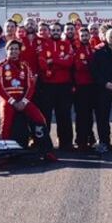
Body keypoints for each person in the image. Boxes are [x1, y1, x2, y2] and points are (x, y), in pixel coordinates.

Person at [0, 40, 47, 142]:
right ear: (6, 50)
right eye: (11, 49)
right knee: (5, 123)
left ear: (19, 51)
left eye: (16, 49)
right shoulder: (0, 66)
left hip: (23, 98)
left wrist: (24, 101)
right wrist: (13, 102)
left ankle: (45, 148)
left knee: (40, 118)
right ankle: (4, 152)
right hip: (7, 99)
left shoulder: (25, 66)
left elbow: (31, 86)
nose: (14, 51)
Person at [37, 22, 75, 150]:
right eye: (53, 30)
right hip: (47, 85)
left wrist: (53, 60)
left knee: (64, 115)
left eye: (58, 30)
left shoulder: (67, 44)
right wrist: (59, 61)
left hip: (64, 86)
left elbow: (69, 62)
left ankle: (66, 143)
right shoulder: (43, 45)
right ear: (49, 31)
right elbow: (42, 63)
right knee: (46, 115)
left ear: (61, 31)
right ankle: (45, 143)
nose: (56, 32)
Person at [73, 27, 97, 151]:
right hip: (80, 86)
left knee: (90, 115)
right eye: (82, 36)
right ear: (79, 37)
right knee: (81, 115)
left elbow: (96, 66)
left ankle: (90, 137)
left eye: (86, 35)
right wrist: (89, 64)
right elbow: (79, 66)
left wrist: (88, 64)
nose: (84, 37)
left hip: (93, 87)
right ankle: (80, 140)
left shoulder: (93, 49)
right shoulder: (76, 50)